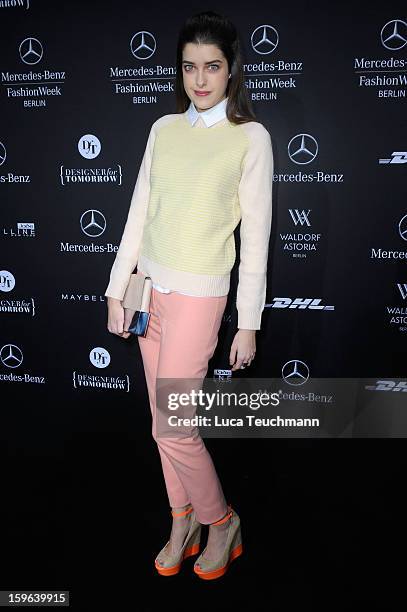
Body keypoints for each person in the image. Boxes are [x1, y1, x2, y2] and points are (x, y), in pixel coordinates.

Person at [104, 10, 273, 580]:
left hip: (201, 298)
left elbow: (256, 238)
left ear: (231, 71)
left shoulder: (251, 138)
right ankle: (184, 520)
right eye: (189, 67)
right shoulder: (162, 130)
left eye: (213, 67)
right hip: (147, 292)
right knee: (161, 424)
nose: (200, 80)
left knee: (173, 425)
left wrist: (247, 321)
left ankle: (221, 521)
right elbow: (137, 216)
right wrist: (116, 289)